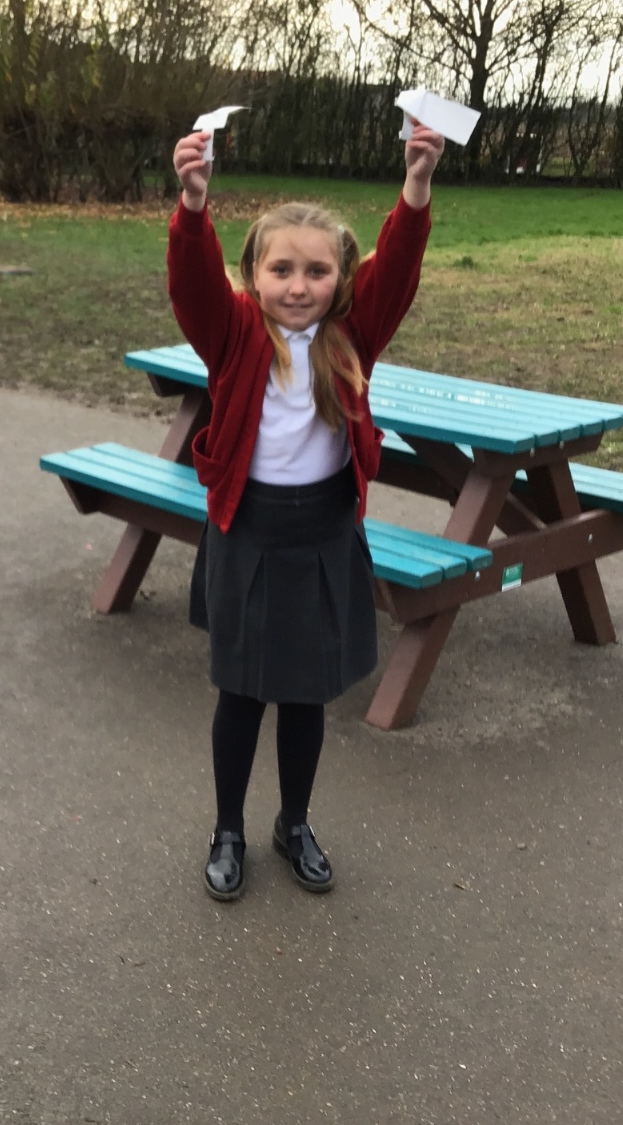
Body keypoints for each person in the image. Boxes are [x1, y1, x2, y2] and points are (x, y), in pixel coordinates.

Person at [167, 117, 445, 901]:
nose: (298, 286)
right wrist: (193, 206)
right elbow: (191, 285)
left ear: (341, 278)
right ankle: (228, 829)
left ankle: (294, 824)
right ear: (252, 275)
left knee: (304, 696)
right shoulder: (233, 335)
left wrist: (416, 186)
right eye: (281, 269)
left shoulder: (353, 335)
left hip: (323, 534)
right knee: (241, 695)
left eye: (317, 271)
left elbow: (399, 270)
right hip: (248, 533)